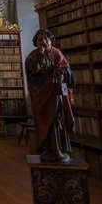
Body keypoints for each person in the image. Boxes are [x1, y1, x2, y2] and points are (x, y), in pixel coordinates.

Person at [25, 29, 75, 163]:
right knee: (43, 120)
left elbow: (66, 69)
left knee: (56, 119)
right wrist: (40, 56)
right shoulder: (32, 56)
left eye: (46, 38)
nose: (43, 41)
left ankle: (58, 148)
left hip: (54, 93)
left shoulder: (56, 53)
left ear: (50, 39)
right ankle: (47, 148)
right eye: (40, 39)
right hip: (41, 94)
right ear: (36, 42)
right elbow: (32, 71)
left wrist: (62, 73)